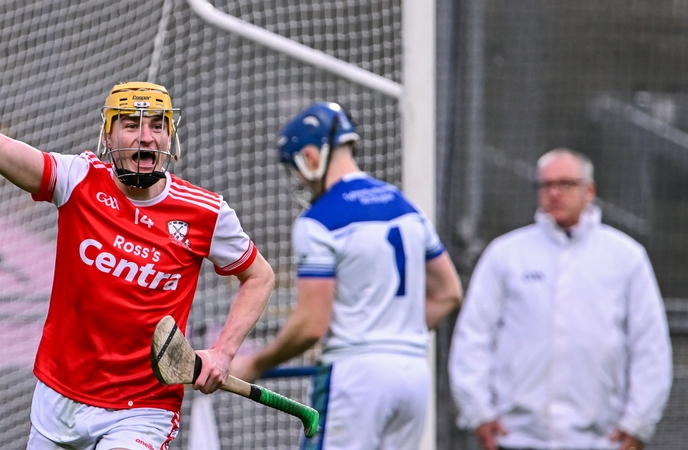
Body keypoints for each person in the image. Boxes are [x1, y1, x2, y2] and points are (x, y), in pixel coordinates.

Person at [0, 8, 274, 450]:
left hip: (143, 409)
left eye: (157, 125)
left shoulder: (206, 213)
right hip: (59, 397)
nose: (145, 136)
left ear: (170, 137)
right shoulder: (76, 181)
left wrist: (222, 351)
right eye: (131, 123)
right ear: (108, 136)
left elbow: (259, 276)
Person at [231, 102, 463, 450]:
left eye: (296, 168)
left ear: (310, 156)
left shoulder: (319, 220)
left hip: (355, 380)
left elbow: (311, 325)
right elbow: (449, 294)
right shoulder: (407, 207)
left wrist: (255, 363)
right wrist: (391, 329)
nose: (299, 179)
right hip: (413, 376)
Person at [448, 148, 673, 450]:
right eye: (546, 185)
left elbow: (651, 347)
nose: (555, 193)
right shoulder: (506, 254)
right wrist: (479, 414)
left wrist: (637, 424)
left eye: (566, 184)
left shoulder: (626, 258)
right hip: (515, 439)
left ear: (589, 190)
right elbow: (473, 338)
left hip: (600, 441)